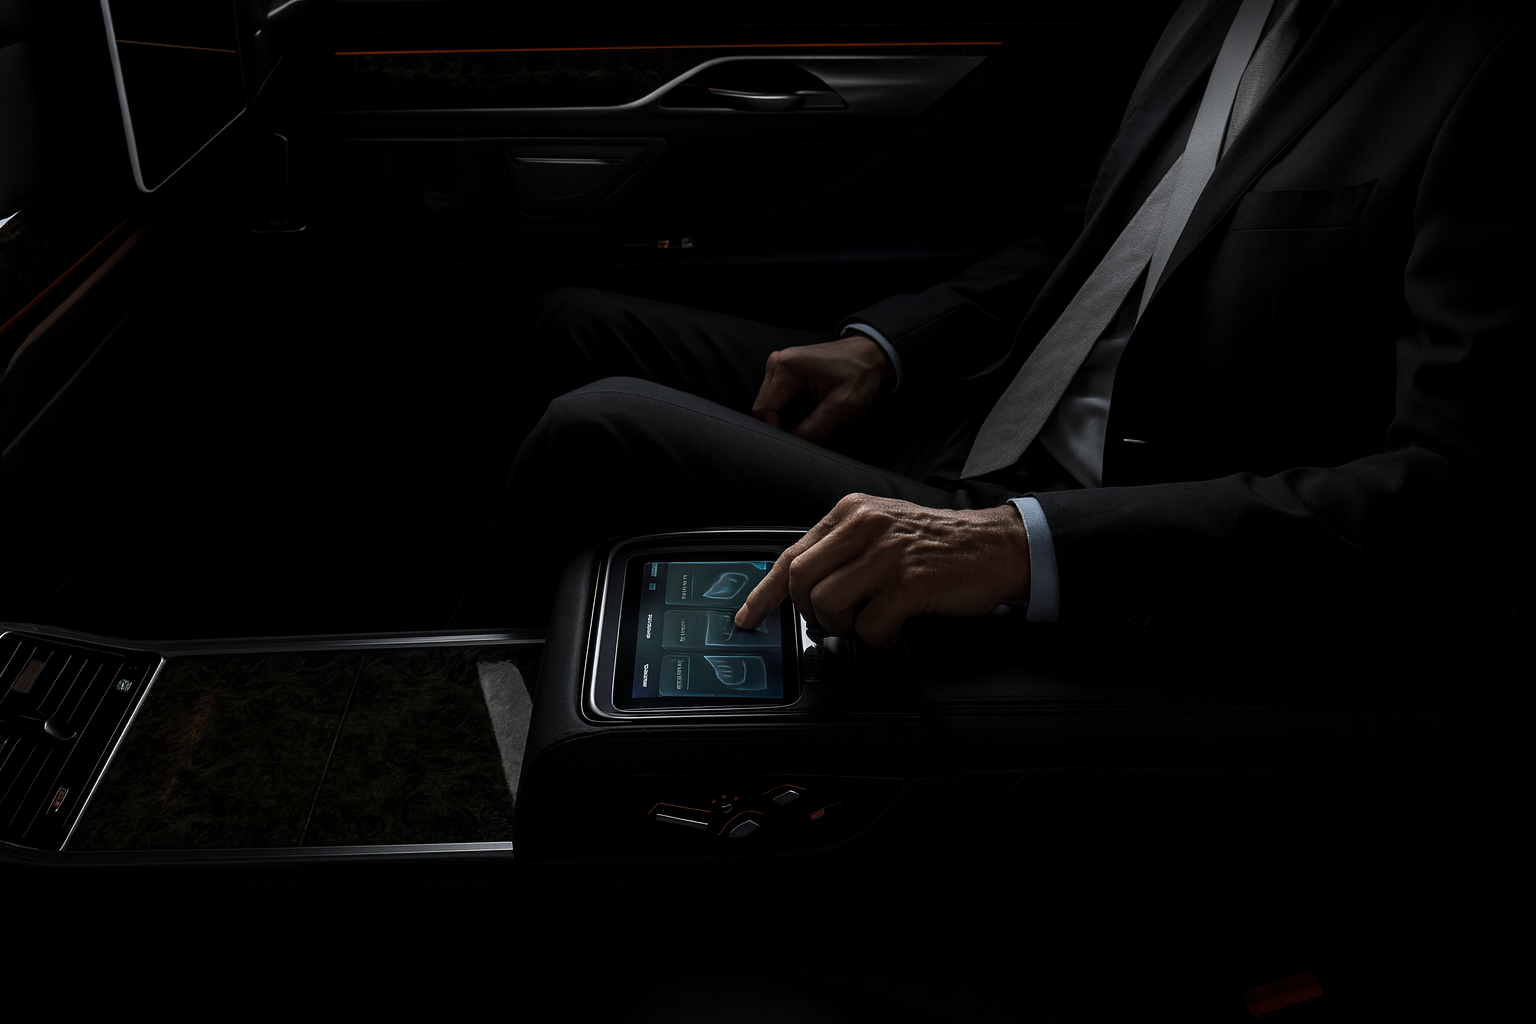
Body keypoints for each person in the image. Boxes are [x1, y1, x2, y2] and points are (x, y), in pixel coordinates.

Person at [456, 0, 1529, 650]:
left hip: (1109, 524)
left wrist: (1016, 546)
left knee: (598, 429)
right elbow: (1106, 230)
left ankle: (486, 742)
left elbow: (1455, 504)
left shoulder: (1488, 63)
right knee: (572, 325)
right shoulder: (1229, 10)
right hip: (985, 417)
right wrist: (888, 346)